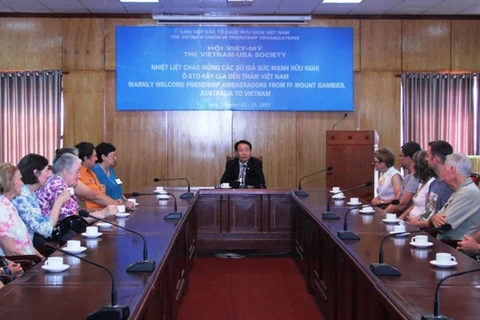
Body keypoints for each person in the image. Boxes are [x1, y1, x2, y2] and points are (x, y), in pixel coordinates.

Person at [35, 152, 117, 224]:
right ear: (65, 171)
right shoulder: (57, 186)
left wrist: (97, 211)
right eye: (77, 172)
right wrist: (103, 213)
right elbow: (71, 221)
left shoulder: (58, 182)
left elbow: (73, 213)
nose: (79, 176)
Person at [13, 154, 70, 243]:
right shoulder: (22, 198)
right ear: (36, 173)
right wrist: (59, 201)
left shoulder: (31, 193)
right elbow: (45, 230)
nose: (50, 174)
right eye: (47, 170)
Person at [430, 153, 480, 241]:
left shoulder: (467, 192)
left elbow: (442, 226)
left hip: (455, 247)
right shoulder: (460, 189)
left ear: (452, 169)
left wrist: (434, 218)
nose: (443, 174)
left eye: (444, 169)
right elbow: (436, 216)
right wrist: (433, 218)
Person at [407, 140, 454, 228]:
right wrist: (415, 220)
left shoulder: (449, 186)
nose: (426, 159)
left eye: (428, 156)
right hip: (422, 227)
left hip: (432, 232)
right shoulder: (433, 183)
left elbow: (441, 219)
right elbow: (428, 211)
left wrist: (417, 223)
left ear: (435, 159)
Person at [0, 163, 41, 258]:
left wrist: (41, 259)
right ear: (11, 183)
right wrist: (37, 263)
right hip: (22, 268)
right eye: (20, 179)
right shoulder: (1, 209)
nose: (23, 183)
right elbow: (11, 252)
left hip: (29, 262)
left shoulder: (9, 205)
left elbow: (26, 243)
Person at [74, 142, 128, 210]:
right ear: (85, 158)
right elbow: (94, 196)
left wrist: (117, 202)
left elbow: (101, 193)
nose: (96, 159)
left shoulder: (90, 172)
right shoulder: (80, 174)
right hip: (94, 214)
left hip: (104, 210)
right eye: (94, 156)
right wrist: (119, 205)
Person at [384, 141, 422, 214]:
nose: (398, 158)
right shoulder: (408, 176)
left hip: (405, 216)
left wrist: (382, 214)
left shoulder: (415, 177)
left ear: (407, 158)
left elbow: (402, 204)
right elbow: (398, 199)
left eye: (401, 156)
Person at [399, 151, 436, 221]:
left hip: (419, 224)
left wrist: (414, 221)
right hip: (410, 220)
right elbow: (415, 205)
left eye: (414, 163)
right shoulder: (422, 182)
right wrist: (401, 217)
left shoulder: (431, 183)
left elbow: (428, 211)